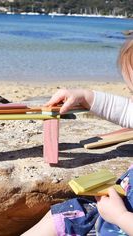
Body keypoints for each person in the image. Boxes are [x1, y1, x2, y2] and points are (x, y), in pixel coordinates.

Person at [22, 39, 133, 236]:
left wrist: (121, 217)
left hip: (121, 223)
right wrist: (83, 96)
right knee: (60, 218)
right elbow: (125, 110)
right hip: (113, 208)